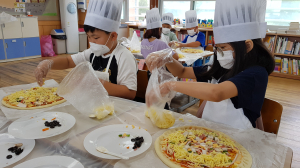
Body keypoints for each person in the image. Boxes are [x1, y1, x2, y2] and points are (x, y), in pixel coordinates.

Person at [145, 0, 274, 130]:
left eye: (223, 47)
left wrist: (171, 85)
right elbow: (182, 71)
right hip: (210, 134)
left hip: (238, 138)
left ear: (247, 46)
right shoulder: (223, 68)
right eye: (217, 48)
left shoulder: (256, 74)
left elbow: (217, 93)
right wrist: (167, 58)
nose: (219, 54)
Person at [34, 0, 137, 100]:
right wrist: (48, 63)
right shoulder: (92, 53)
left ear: (113, 36)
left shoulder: (124, 57)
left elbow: (130, 93)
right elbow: (68, 61)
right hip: (95, 103)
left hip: (118, 107)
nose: (91, 42)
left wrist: (98, 84)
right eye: (88, 37)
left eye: (96, 38)